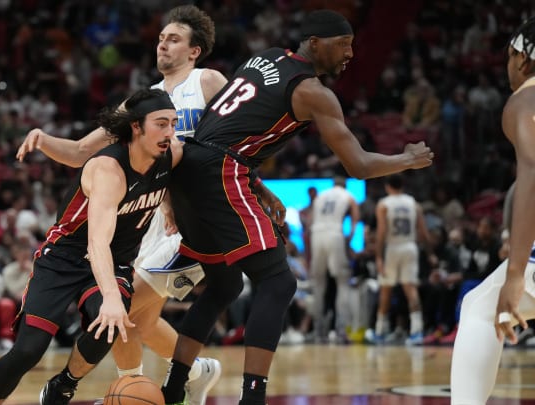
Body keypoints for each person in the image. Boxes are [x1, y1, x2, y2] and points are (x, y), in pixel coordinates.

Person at [161, 10, 434, 405]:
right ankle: (252, 397)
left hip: (189, 168)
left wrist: (259, 187)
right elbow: (357, 165)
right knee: (279, 282)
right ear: (316, 42)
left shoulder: (264, 57)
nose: (351, 54)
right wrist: (405, 160)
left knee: (224, 284)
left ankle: (172, 388)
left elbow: (220, 128)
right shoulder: (312, 92)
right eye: (344, 45)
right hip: (221, 171)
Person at [17, 6, 284, 404]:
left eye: (173, 38)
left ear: (195, 51)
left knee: (125, 307)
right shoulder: (144, 104)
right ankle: (186, 373)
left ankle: (72, 384)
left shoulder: (207, 81)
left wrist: (258, 187)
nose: (163, 43)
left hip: (197, 218)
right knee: (136, 317)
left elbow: (230, 149)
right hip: (151, 217)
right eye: (161, 37)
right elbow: (78, 153)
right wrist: (42, 139)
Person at [0, 88, 181, 405]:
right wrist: (111, 296)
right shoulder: (108, 170)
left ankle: (64, 385)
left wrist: (169, 206)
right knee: (28, 351)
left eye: (174, 124)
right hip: (66, 257)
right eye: (161, 123)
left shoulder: (170, 153)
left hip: (116, 261)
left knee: (110, 324)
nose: (170, 132)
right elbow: (97, 242)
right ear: (136, 126)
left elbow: (166, 180)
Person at [450, 17, 535, 405]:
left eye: (508, 57)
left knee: (482, 310)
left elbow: (533, 172)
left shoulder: (525, 100)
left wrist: (516, 272)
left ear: (522, 57)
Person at [371, 174, 430, 345]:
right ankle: (417, 331)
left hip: (393, 247)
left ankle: (380, 331)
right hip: (410, 247)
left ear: (387, 186)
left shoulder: (384, 204)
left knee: (386, 289)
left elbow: (381, 233)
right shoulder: (414, 203)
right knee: (411, 289)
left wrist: (378, 257)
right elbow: (423, 232)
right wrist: (430, 252)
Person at [308, 176, 360, 342]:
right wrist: (350, 237)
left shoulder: (321, 196)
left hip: (317, 235)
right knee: (342, 282)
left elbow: (310, 221)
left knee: (318, 284)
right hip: (334, 235)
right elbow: (355, 218)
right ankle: (341, 329)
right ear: (344, 185)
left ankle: (317, 330)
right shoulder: (348, 195)